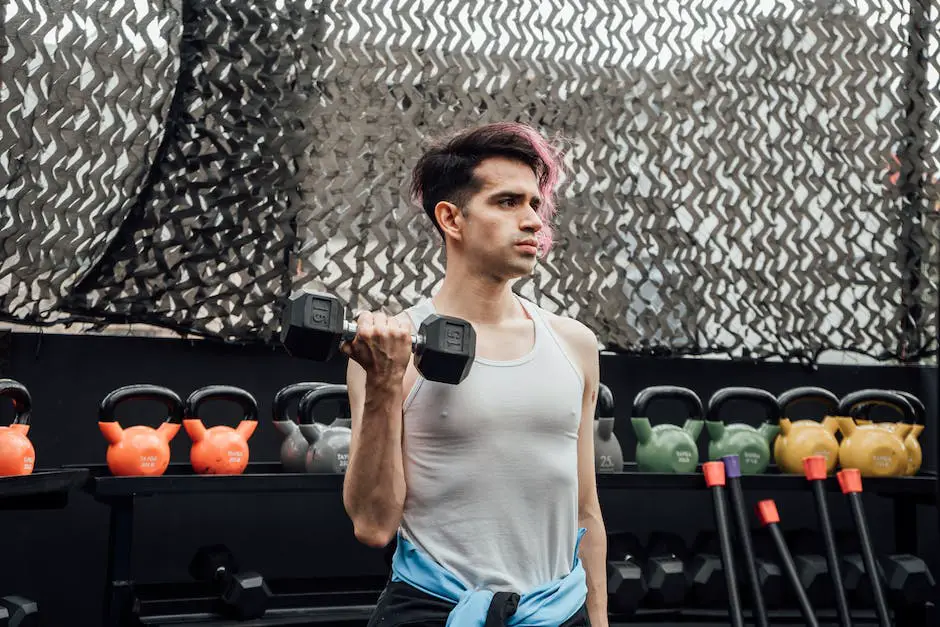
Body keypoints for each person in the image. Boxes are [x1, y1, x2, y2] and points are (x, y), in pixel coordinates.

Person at [341, 122, 608, 627]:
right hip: (434, 613)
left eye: (534, 203)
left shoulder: (574, 345)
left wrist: (598, 622)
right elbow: (374, 526)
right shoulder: (394, 348)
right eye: (508, 202)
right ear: (452, 218)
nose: (533, 221)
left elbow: (586, 514)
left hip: (558, 613)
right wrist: (382, 383)